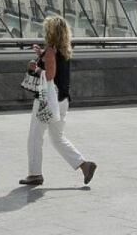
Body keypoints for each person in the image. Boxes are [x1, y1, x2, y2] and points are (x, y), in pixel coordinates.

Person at [20, 16, 97, 187]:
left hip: (47, 100)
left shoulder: (51, 50)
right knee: (57, 138)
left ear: (51, 32)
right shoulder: (64, 50)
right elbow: (57, 68)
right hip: (62, 100)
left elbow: (49, 76)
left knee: (34, 137)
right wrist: (41, 55)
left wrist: (36, 67)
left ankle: (35, 175)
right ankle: (84, 165)